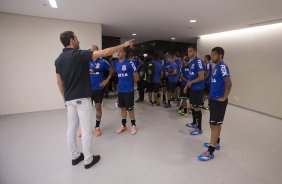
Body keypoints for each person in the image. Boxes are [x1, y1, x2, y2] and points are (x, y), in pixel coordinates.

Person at [55, 31, 134, 169]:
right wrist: (124, 44)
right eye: (77, 38)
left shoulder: (59, 59)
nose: (79, 41)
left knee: (71, 129)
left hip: (69, 99)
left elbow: (59, 82)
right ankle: (88, 159)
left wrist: (65, 99)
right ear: (72, 40)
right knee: (85, 129)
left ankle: (74, 157)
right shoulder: (79, 55)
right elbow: (105, 52)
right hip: (82, 97)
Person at [198, 47, 232, 161]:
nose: (212, 56)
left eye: (214, 54)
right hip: (213, 99)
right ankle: (216, 142)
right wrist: (209, 96)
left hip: (219, 101)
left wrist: (224, 97)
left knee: (215, 124)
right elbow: (216, 83)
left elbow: (228, 83)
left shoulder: (222, 66)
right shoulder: (215, 67)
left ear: (221, 55)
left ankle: (210, 151)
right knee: (214, 124)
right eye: (211, 54)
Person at [87, 45, 114, 137]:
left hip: (98, 90)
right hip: (87, 90)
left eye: (90, 49)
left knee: (98, 109)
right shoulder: (86, 61)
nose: (88, 50)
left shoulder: (103, 62)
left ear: (96, 51)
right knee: (85, 110)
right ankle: (85, 129)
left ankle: (97, 127)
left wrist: (107, 80)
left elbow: (112, 70)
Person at [114, 48, 139, 135]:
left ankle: (133, 125)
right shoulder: (117, 64)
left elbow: (136, 77)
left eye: (120, 51)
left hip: (128, 91)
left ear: (124, 53)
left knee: (130, 109)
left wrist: (130, 85)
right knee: (122, 108)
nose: (118, 53)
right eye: (117, 51)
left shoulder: (130, 63)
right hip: (120, 91)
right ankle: (124, 125)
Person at [184, 46, 205, 135]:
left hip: (198, 88)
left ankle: (199, 128)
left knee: (196, 107)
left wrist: (191, 82)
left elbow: (201, 77)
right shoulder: (191, 61)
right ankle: (194, 123)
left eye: (191, 51)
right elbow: (190, 76)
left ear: (195, 52)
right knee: (192, 106)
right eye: (188, 51)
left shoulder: (198, 61)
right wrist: (186, 86)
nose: (189, 53)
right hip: (192, 88)